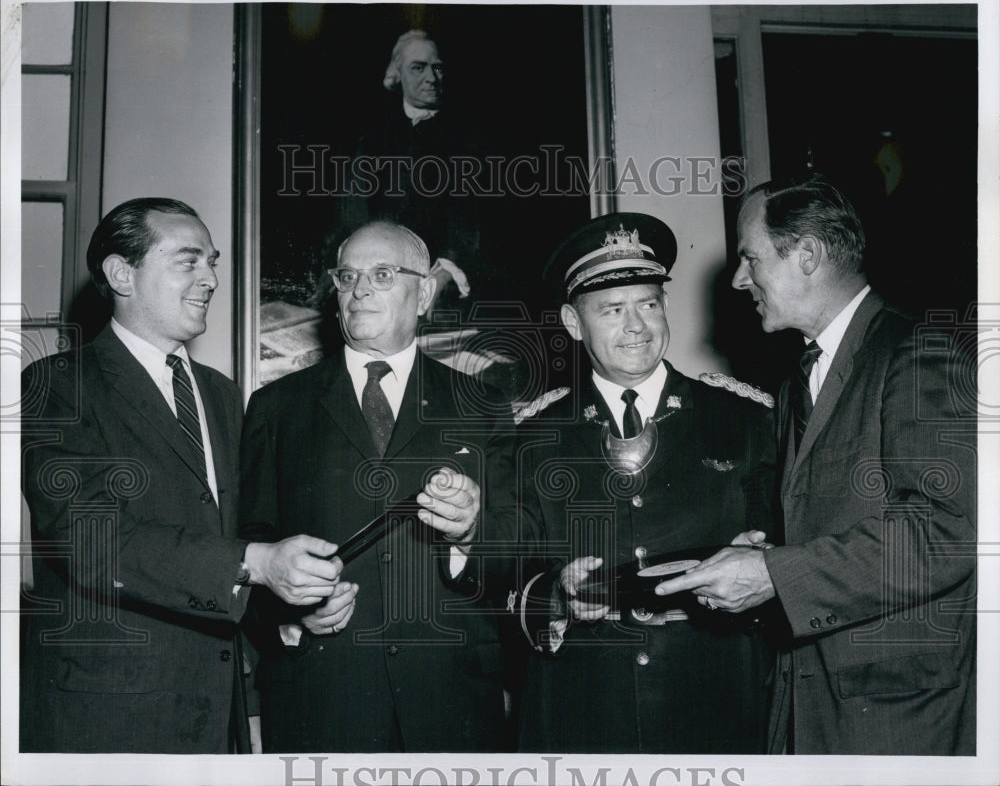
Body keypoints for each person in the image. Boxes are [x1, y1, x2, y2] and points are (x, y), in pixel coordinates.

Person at [656, 175, 977, 755]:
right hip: (814, 705)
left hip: (899, 718)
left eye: (750, 258)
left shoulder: (917, 354)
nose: (737, 278)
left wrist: (775, 575)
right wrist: (762, 554)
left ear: (806, 255)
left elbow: (945, 533)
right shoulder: (796, 383)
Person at [19, 198, 348, 753]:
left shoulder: (221, 394)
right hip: (108, 722)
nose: (211, 279)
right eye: (189, 261)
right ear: (122, 273)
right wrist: (259, 562)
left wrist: (294, 607)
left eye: (213, 262)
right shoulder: (56, 386)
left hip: (218, 719)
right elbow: (91, 538)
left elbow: (234, 541)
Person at [239, 220, 522, 752]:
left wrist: (468, 535)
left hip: (452, 700)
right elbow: (249, 542)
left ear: (426, 293)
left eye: (383, 274)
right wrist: (290, 612)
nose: (359, 289)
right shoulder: (276, 408)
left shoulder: (481, 405)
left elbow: (517, 546)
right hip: (323, 696)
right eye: (347, 277)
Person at [512, 212, 777, 753]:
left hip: (715, 695)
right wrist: (556, 599)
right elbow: (502, 572)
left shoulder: (746, 418)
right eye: (613, 309)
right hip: (583, 704)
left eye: (649, 304)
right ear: (571, 321)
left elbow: (789, 553)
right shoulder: (529, 437)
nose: (636, 327)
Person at [332, 29, 479, 316]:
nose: (431, 78)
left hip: (441, 287)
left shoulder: (469, 139)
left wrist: (446, 269)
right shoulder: (372, 138)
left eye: (437, 68)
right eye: (418, 67)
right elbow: (351, 213)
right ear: (398, 74)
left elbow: (468, 223)